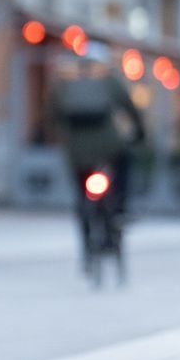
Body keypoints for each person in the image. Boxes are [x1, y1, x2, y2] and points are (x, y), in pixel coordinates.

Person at [48, 47, 145, 247]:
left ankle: (84, 225)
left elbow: (50, 115)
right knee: (123, 163)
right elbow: (129, 108)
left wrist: (60, 135)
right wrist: (139, 133)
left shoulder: (62, 83)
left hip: (76, 149)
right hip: (108, 145)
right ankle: (119, 211)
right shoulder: (108, 80)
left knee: (81, 192)